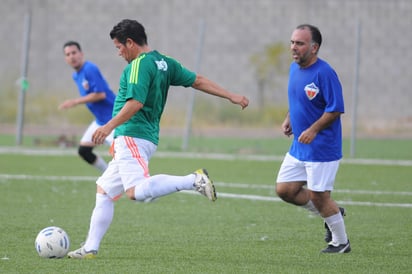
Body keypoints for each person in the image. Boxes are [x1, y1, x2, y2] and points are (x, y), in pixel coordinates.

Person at [67, 19, 249, 259]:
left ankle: (193, 180)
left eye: (119, 47)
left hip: (132, 134)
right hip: (145, 136)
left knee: (135, 192)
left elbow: (135, 102)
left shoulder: (137, 66)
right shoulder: (163, 62)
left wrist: (107, 126)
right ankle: (90, 248)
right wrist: (230, 95)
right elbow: (197, 80)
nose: (119, 52)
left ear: (130, 42)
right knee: (104, 190)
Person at [275, 24, 350, 253]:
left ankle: (340, 242)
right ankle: (332, 211)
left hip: (321, 148)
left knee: (319, 195)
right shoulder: (293, 69)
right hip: (299, 146)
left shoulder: (325, 72)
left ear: (314, 47)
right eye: (292, 42)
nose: (293, 47)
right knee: (285, 190)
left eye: (300, 43)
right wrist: (289, 117)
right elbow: (297, 99)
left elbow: (335, 108)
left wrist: (313, 129)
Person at [59, 41, 116, 173]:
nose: (72, 56)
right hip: (99, 121)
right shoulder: (76, 75)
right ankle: (107, 173)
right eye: (68, 54)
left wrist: (75, 102)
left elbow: (100, 94)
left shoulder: (90, 68)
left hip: (112, 119)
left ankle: (137, 184)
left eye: (74, 53)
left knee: (122, 156)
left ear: (81, 54)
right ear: (65, 59)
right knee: (84, 150)